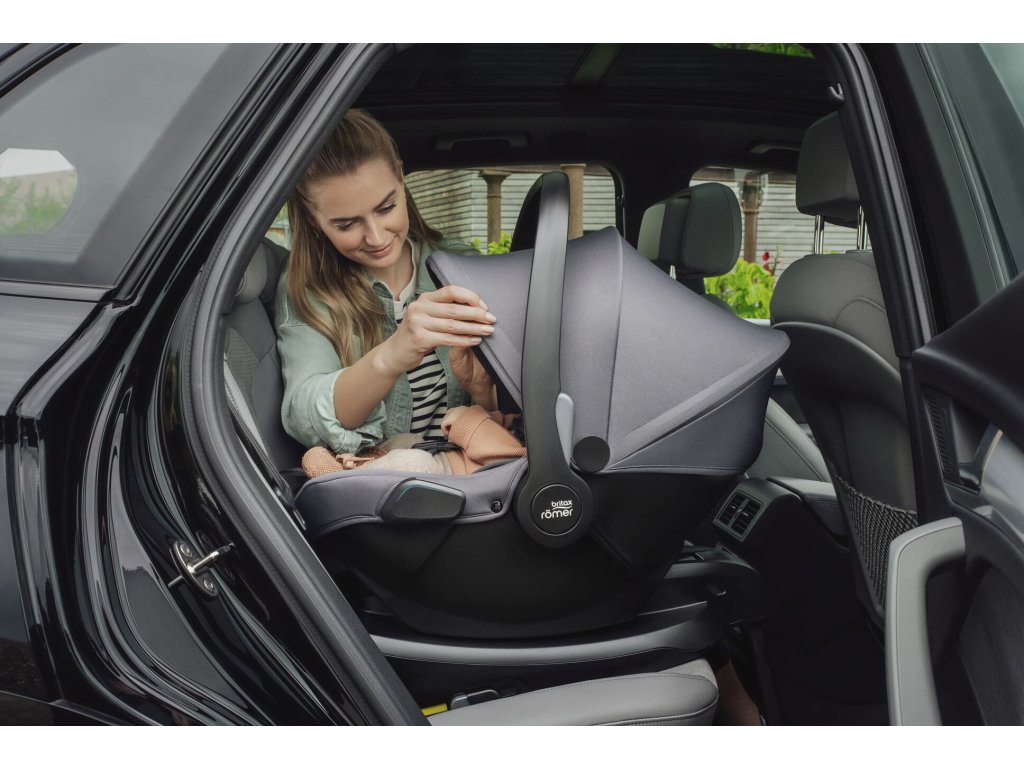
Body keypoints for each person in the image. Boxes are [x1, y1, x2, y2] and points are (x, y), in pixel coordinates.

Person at [275, 109, 498, 457]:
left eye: (386, 208)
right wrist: (390, 356)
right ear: (314, 221)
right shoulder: (308, 290)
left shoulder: (463, 266)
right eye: (347, 225)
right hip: (385, 483)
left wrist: (483, 392)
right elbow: (304, 416)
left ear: (401, 177)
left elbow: (513, 410)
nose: (377, 237)